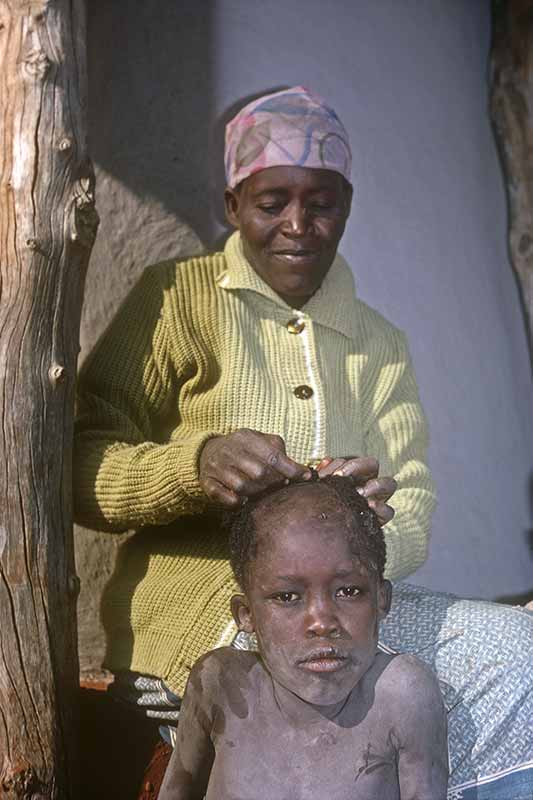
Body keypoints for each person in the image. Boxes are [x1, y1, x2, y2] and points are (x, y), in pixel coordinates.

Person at [74, 86, 533, 799]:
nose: (298, 225)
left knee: (520, 659)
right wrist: (193, 468)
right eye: (270, 203)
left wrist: (362, 522)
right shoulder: (174, 299)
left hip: (343, 611)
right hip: (205, 616)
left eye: (321, 203)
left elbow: (410, 501)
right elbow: (80, 469)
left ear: (346, 205)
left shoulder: (377, 342)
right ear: (232, 204)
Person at [157, 475, 449, 800]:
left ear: (382, 599)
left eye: (348, 591)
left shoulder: (401, 694)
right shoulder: (222, 682)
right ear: (246, 614)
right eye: (287, 597)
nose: (322, 623)